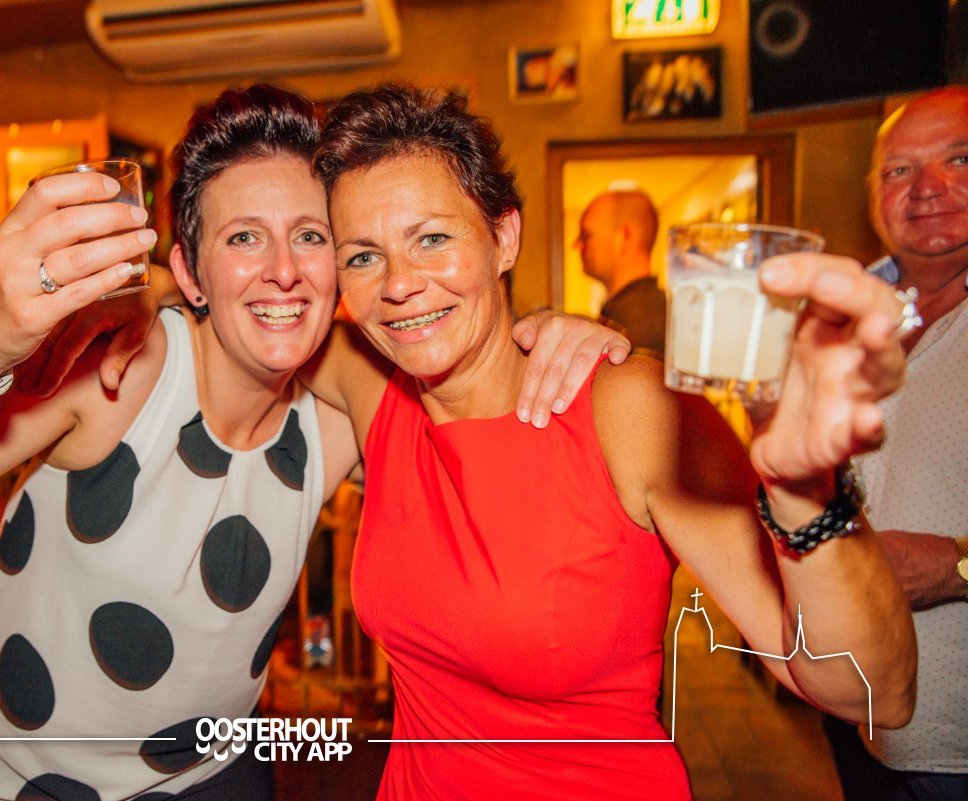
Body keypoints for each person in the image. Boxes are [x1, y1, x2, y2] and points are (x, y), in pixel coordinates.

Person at [0, 85, 625, 800]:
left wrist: (557, 333)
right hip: (14, 781)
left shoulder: (343, 411)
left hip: (212, 774)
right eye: (243, 237)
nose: (283, 268)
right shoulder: (121, 371)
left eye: (311, 235)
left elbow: (476, 382)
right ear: (190, 270)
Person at [300, 83, 918, 800]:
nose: (399, 284)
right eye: (363, 257)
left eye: (432, 239)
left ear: (504, 238)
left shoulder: (629, 407)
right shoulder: (374, 385)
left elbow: (872, 690)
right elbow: (236, 313)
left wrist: (807, 491)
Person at [820, 85, 968, 801]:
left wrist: (958, 566)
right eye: (900, 169)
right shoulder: (839, 318)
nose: (928, 187)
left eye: (959, 159)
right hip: (855, 715)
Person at [577, 187, 667, 359]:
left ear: (624, 237)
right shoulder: (646, 311)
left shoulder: (634, 323)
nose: (577, 245)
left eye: (586, 235)